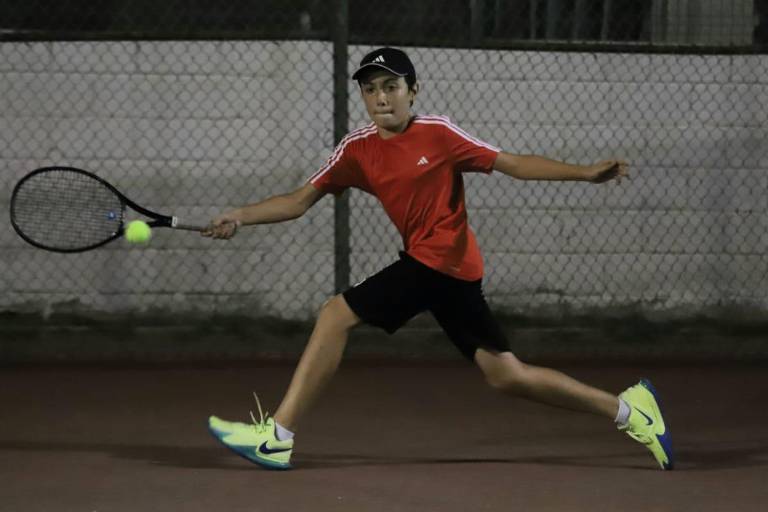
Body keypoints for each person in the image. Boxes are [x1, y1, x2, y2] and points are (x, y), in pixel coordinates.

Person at [202, 47, 674, 471]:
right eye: (371, 90)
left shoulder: (439, 133)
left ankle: (277, 437)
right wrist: (240, 216)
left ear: (413, 90)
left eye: (391, 87)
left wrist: (583, 173)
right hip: (444, 272)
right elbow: (299, 200)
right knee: (507, 375)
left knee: (334, 315)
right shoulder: (357, 149)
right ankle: (632, 411)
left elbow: (510, 163)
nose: (381, 98)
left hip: (442, 260)